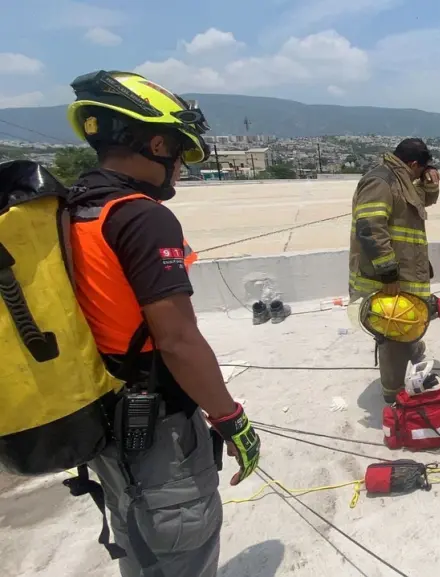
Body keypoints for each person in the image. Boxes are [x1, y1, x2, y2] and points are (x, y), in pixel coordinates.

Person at [65, 70, 260, 577]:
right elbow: (176, 338)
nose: (178, 169)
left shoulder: (75, 208)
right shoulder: (141, 217)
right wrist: (230, 418)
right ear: (156, 143)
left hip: (106, 421)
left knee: (141, 542)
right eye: (177, 154)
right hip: (158, 430)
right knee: (181, 550)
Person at [349, 138, 440, 402]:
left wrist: (429, 181)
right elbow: (369, 227)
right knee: (393, 331)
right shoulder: (380, 182)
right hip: (386, 278)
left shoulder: (401, 181)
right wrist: (388, 272)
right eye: (418, 170)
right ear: (412, 164)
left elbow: (423, 201)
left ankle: (411, 350)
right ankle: (394, 395)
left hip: (406, 273)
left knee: (405, 325)